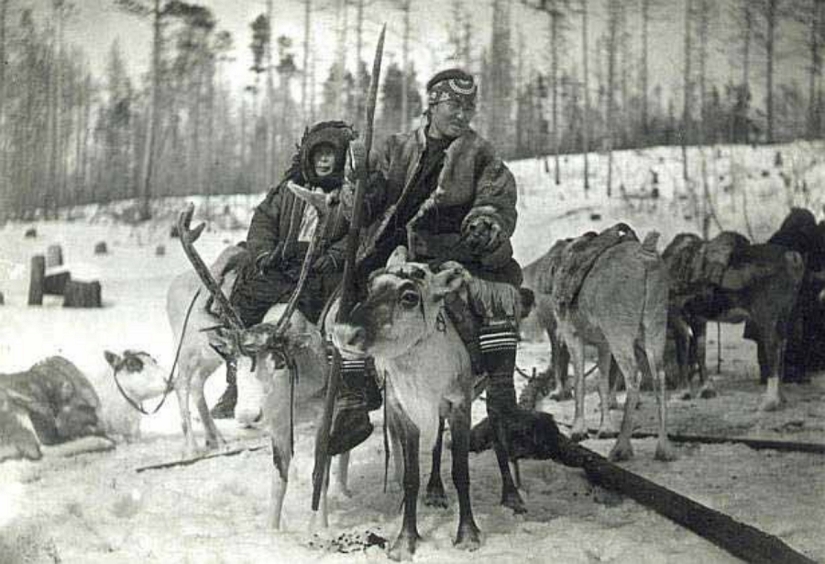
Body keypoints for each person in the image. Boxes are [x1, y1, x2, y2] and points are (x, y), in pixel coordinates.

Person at [327, 68, 551, 460]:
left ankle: (502, 400)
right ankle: (352, 399)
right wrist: (356, 182)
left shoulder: (481, 155)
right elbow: (359, 210)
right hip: (390, 253)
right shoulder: (395, 148)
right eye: (454, 105)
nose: (463, 114)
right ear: (432, 104)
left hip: (453, 253)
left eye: (469, 106)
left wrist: (485, 223)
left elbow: (495, 200)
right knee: (344, 306)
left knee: (497, 300)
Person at [210, 121, 358, 418]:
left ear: (341, 157)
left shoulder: (349, 195)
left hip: (322, 268)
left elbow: (357, 233)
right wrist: (263, 252)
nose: (324, 161)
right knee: (242, 305)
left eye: (331, 155)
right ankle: (235, 382)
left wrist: (333, 257)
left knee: (334, 316)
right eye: (319, 155)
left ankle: (343, 382)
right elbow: (263, 222)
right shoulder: (287, 190)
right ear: (308, 157)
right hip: (282, 261)